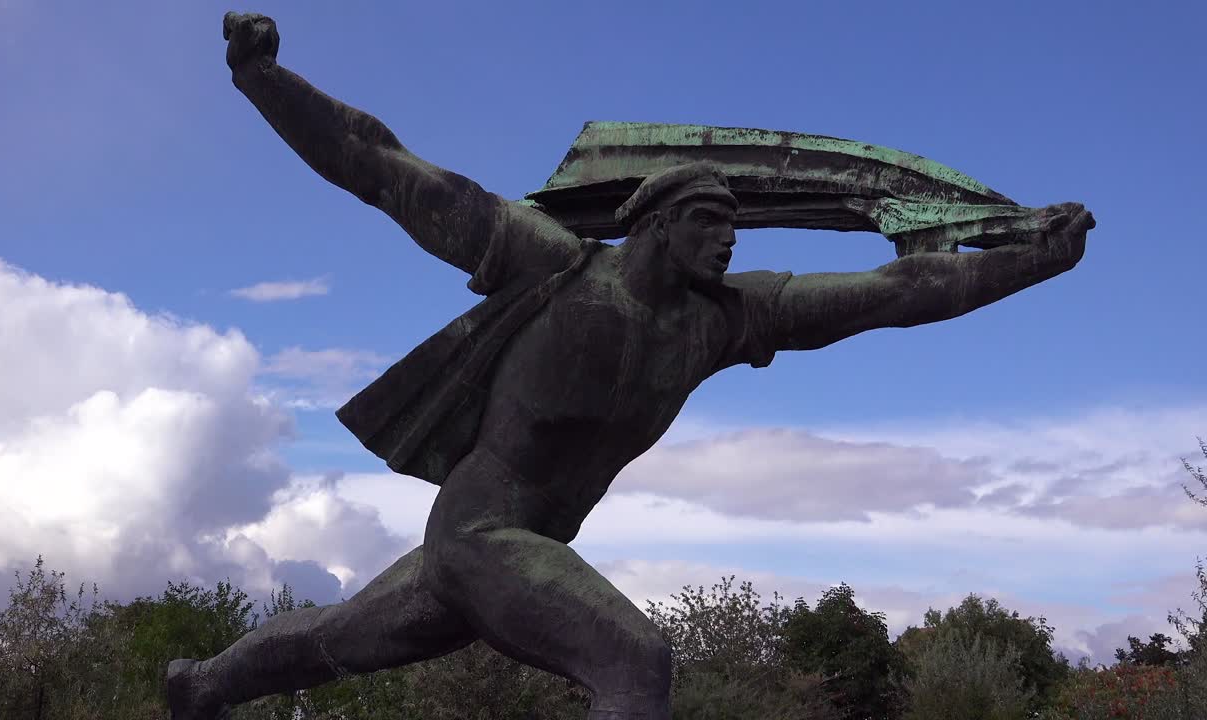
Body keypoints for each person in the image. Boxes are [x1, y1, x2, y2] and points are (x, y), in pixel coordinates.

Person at [167, 12, 1095, 720]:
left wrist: (1031, 261)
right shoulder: (552, 262)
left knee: (325, 643)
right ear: (655, 222)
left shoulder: (726, 321)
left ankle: (198, 687)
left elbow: (899, 292)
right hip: (482, 535)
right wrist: (264, 77)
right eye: (709, 222)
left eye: (735, 226)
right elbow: (384, 167)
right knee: (634, 663)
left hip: (521, 553)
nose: (728, 241)